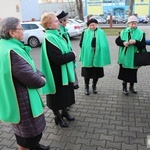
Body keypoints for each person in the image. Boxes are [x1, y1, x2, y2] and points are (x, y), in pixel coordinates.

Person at [0, 17, 49, 150]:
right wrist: (42, 79)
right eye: (21, 28)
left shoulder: (5, 45)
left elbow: (29, 68)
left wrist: (38, 73)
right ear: (12, 32)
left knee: (28, 134)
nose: (23, 31)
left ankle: (35, 146)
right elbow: (33, 79)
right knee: (26, 137)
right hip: (22, 100)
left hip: (17, 97)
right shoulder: (13, 52)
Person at [40, 12, 76, 128]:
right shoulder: (50, 38)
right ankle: (58, 117)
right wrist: (72, 55)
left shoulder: (57, 35)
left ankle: (65, 113)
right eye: (56, 21)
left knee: (65, 95)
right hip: (56, 74)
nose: (59, 22)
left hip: (63, 72)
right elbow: (57, 59)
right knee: (57, 98)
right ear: (49, 25)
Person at [115, 15, 146, 95]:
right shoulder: (123, 32)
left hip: (134, 57)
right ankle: (124, 87)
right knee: (124, 72)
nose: (133, 25)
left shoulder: (141, 33)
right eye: (131, 23)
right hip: (125, 57)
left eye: (135, 23)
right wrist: (123, 43)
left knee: (133, 72)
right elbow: (117, 41)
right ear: (128, 24)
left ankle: (131, 87)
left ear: (137, 24)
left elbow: (143, 45)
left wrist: (136, 42)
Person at [79, 18, 111, 95]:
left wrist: (99, 48)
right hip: (88, 55)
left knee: (96, 72)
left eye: (93, 25)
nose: (92, 27)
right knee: (87, 72)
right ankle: (86, 87)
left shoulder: (101, 32)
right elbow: (81, 44)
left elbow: (105, 43)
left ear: (97, 25)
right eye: (90, 25)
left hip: (98, 55)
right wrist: (87, 48)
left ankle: (94, 85)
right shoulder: (85, 32)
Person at [56, 10, 79, 90]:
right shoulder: (59, 31)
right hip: (66, 58)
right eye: (66, 19)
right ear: (62, 21)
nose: (68, 21)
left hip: (69, 57)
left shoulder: (64, 30)